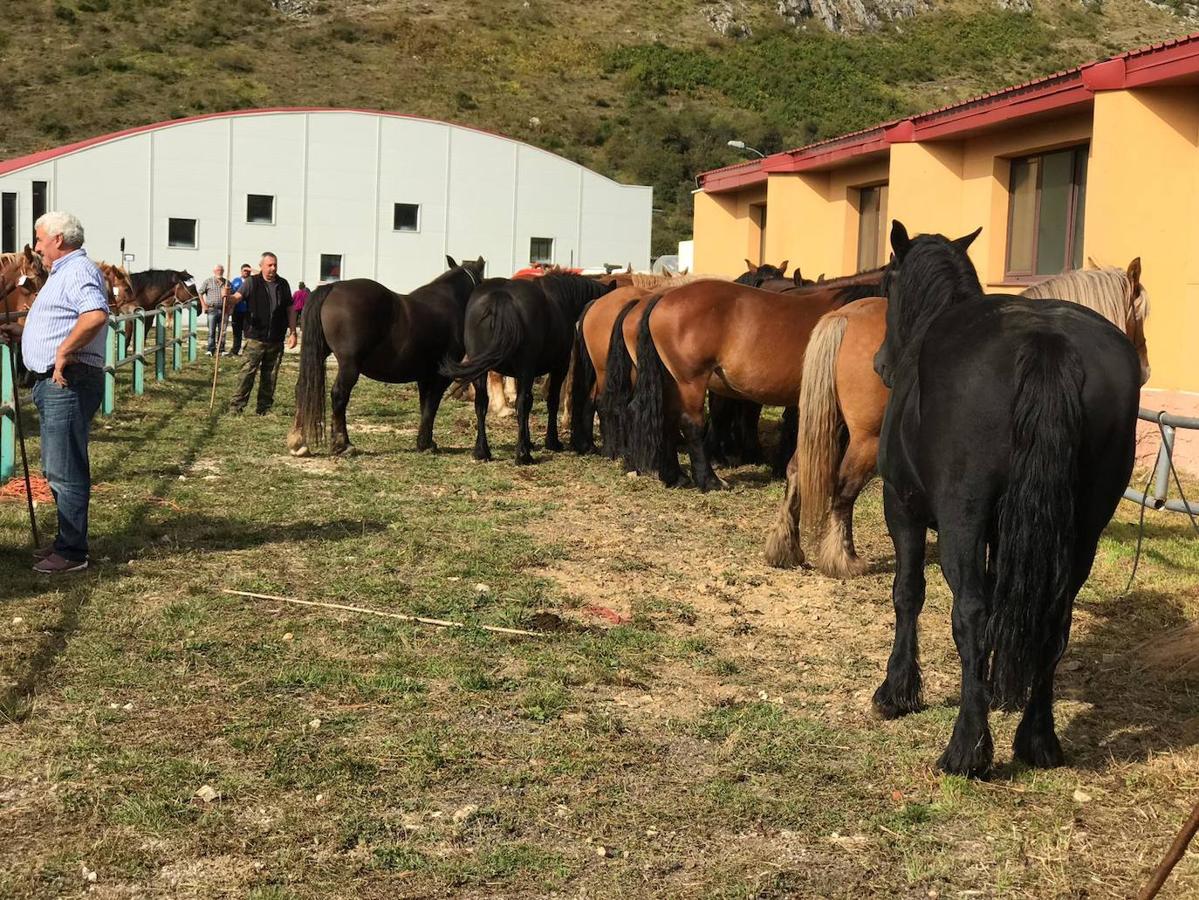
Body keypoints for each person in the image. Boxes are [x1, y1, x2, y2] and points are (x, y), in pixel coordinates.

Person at [0, 212, 108, 574]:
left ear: (58, 239)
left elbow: (94, 315)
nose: (37, 246)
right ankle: (66, 541)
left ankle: (73, 552)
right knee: (57, 465)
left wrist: (62, 352)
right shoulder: (63, 274)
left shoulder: (77, 271)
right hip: (58, 380)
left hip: (69, 379)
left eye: (40, 238)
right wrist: (23, 336)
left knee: (65, 468)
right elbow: (62, 320)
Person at [228, 252, 297, 415]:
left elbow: (290, 308)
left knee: (270, 375)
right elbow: (237, 297)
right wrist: (228, 297)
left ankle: (264, 408)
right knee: (246, 373)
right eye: (269, 265)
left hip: (276, 338)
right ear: (261, 266)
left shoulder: (283, 284)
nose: (273, 268)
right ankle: (236, 407)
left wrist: (293, 332)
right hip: (255, 338)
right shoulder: (252, 282)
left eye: (275, 265)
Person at [198, 264, 228, 355]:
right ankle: (210, 349)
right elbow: (200, 292)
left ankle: (221, 349)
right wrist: (203, 305)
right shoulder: (208, 281)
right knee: (211, 331)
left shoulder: (227, 282)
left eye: (221, 270)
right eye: (218, 270)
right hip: (212, 309)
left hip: (223, 310)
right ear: (214, 271)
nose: (220, 272)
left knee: (222, 331)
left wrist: (230, 308)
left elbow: (231, 295)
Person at [228, 262, 251, 356]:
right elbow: (232, 294)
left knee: (248, 333)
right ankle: (235, 349)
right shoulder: (236, 281)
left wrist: (251, 270)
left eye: (248, 271)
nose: (246, 272)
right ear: (241, 271)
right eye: (244, 270)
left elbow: (261, 274)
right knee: (236, 331)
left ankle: (247, 350)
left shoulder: (253, 281)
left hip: (248, 311)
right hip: (237, 310)